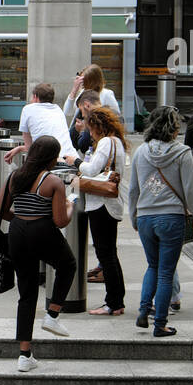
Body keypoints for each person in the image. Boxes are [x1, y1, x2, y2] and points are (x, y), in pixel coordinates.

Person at [0, 136, 78, 372]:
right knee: (68, 265)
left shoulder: (15, 176)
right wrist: (70, 207)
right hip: (42, 230)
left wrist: (22, 220)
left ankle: (24, 355)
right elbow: (60, 221)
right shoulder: (52, 181)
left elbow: (0, 210)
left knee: (27, 292)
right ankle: (53, 315)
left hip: (17, 232)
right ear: (51, 159)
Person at [128, 105, 193, 337]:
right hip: (171, 217)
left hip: (145, 217)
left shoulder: (140, 152)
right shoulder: (182, 153)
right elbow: (191, 190)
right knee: (166, 272)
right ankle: (160, 323)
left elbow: (133, 190)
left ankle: (144, 310)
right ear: (174, 128)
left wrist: (134, 215)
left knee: (152, 266)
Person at [78, 106, 129, 316]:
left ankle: (113, 303)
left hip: (101, 205)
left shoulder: (107, 142)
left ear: (98, 126)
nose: (90, 133)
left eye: (91, 128)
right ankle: (117, 300)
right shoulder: (117, 142)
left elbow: (90, 170)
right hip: (111, 204)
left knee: (105, 254)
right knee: (110, 254)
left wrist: (77, 162)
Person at [4, 83, 79, 165]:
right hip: (72, 158)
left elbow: (29, 147)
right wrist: (19, 148)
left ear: (35, 97)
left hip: (51, 161)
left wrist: (18, 149)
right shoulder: (58, 109)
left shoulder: (28, 109)